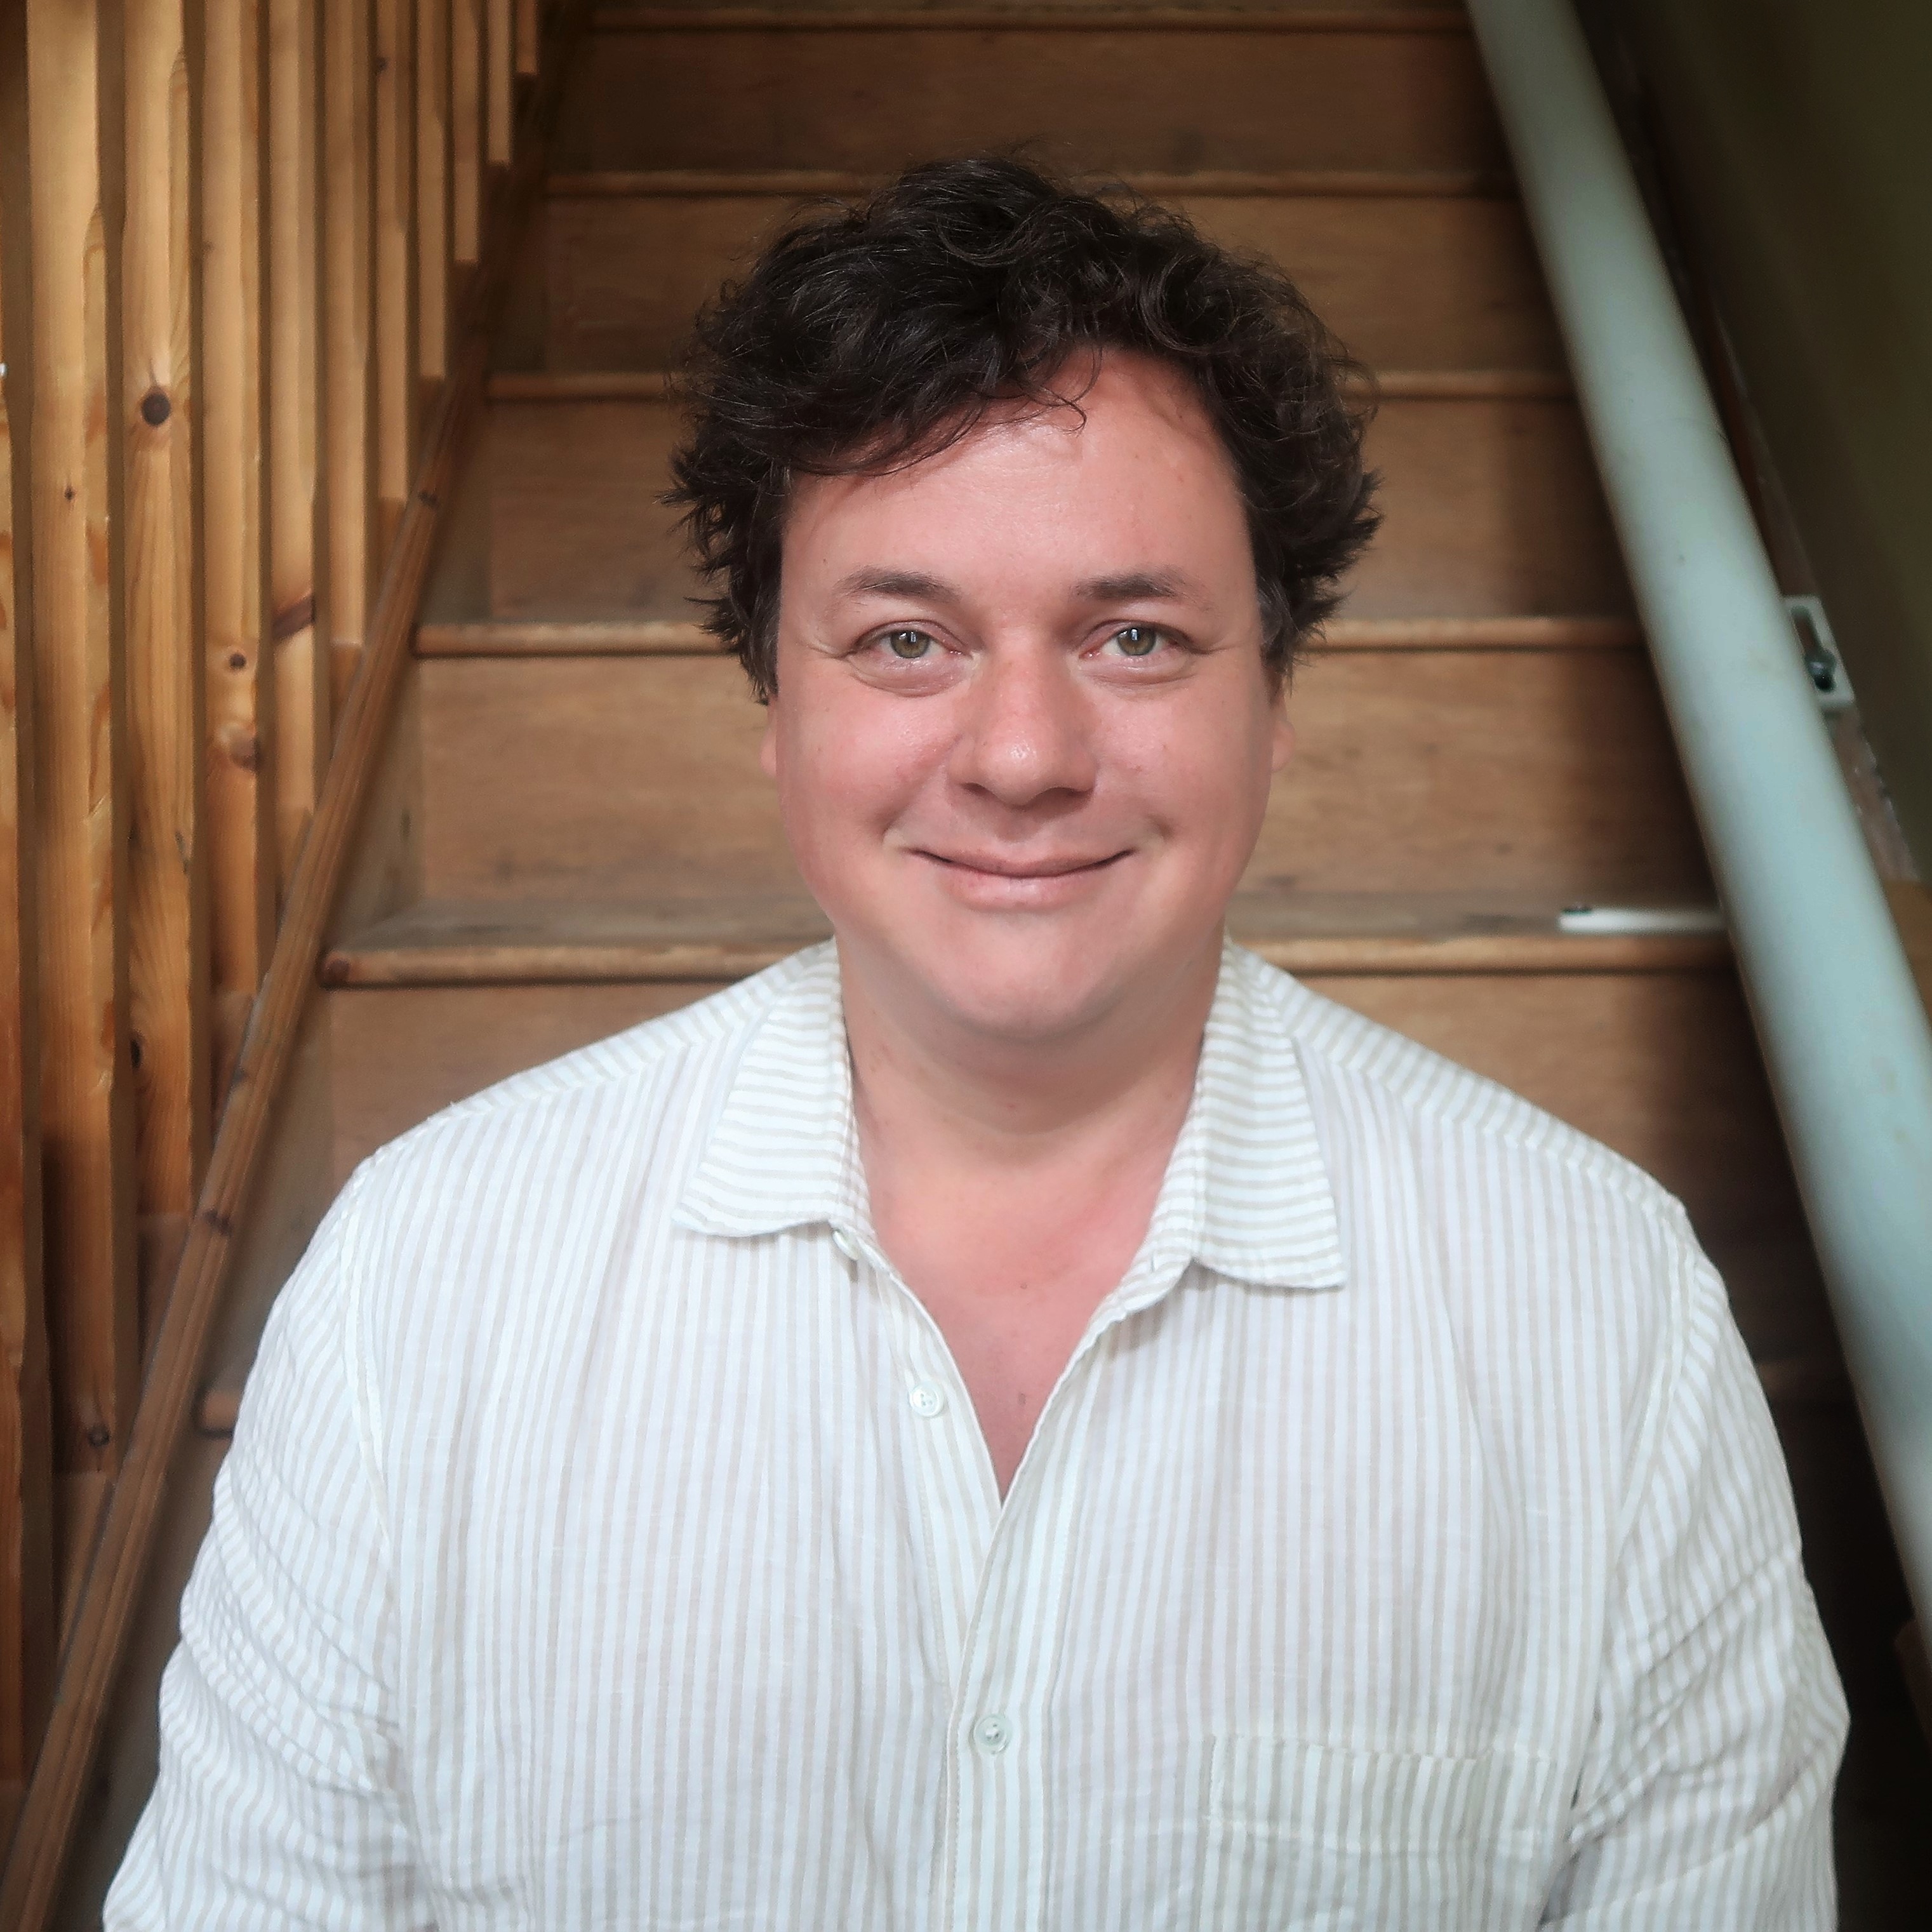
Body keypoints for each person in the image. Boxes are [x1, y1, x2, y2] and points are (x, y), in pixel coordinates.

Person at [109, 157, 1844, 1928]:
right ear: (774, 711)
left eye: (1137, 634)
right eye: (906, 638)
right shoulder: (425, 1283)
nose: (1021, 752)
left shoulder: (1598, 1314)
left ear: (1274, 705)